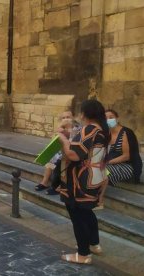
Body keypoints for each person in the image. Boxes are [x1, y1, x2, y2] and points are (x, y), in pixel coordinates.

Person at [58, 99, 109, 264]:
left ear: (85, 114)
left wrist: (63, 141)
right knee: (87, 212)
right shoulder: (102, 130)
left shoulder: (89, 129)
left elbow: (74, 155)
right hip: (94, 177)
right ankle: (94, 244)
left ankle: (83, 254)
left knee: (78, 215)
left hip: (80, 180)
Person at [35, 111, 81, 195]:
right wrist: (58, 131)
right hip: (61, 151)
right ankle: (44, 182)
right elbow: (53, 141)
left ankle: (60, 186)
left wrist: (67, 131)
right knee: (51, 158)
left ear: (73, 118)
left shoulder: (77, 128)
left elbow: (72, 142)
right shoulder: (61, 127)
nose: (66, 119)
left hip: (72, 152)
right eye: (63, 118)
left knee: (64, 160)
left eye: (68, 117)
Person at [105, 109, 142, 186]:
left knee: (101, 172)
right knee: (93, 170)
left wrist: (107, 163)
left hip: (128, 167)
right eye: (105, 118)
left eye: (111, 117)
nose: (108, 120)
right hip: (110, 165)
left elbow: (126, 156)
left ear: (117, 118)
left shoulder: (126, 133)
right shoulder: (106, 134)